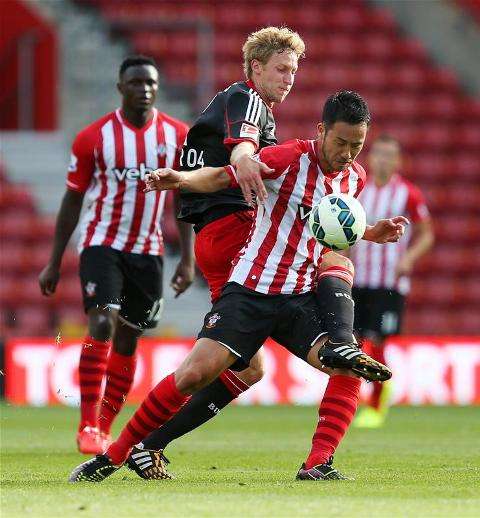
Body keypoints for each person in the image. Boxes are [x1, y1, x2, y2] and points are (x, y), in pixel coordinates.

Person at [69, 91, 408, 483]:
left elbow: (326, 223)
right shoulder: (287, 158)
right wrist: (179, 178)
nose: (347, 153)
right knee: (194, 375)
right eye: (341, 143)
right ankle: (113, 456)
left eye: (357, 146)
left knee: (347, 366)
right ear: (321, 131)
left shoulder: (355, 178)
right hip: (250, 290)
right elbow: (219, 177)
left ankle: (317, 464)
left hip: (298, 297)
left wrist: (369, 231)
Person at [111, 27, 363, 476]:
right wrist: (244, 157)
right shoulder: (247, 100)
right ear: (255, 68)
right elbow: (242, 155)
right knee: (329, 257)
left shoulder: (251, 108)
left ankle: (144, 446)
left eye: (294, 70)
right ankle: (342, 343)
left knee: (247, 370)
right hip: (234, 229)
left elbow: (216, 171)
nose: (289, 79)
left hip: (214, 232)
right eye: (281, 69)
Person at [38, 55, 194, 454]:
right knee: (103, 321)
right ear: (121, 87)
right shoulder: (94, 137)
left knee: (129, 337)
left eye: (151, 83)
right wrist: (55, 260)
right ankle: (88, 423)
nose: (144, 89)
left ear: (157, 88)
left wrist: (188, 259)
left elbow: (182, 201)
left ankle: (104, 426)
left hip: (148, 250)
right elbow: (72, 199)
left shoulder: (177, 135)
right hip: (101, 242)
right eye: (136, 82)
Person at [351, 134, 434, 428]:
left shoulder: (408, 194)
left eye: (390, 155)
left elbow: (427, 233)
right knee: (355, 341)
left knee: (376, 340)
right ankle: (356, 398)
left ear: (398, 161)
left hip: (389, 282)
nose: (383, 160)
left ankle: (377, 402)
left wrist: (409, 258)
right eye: (379, 154)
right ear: (370, 158)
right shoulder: (359, 190)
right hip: (358, 280)